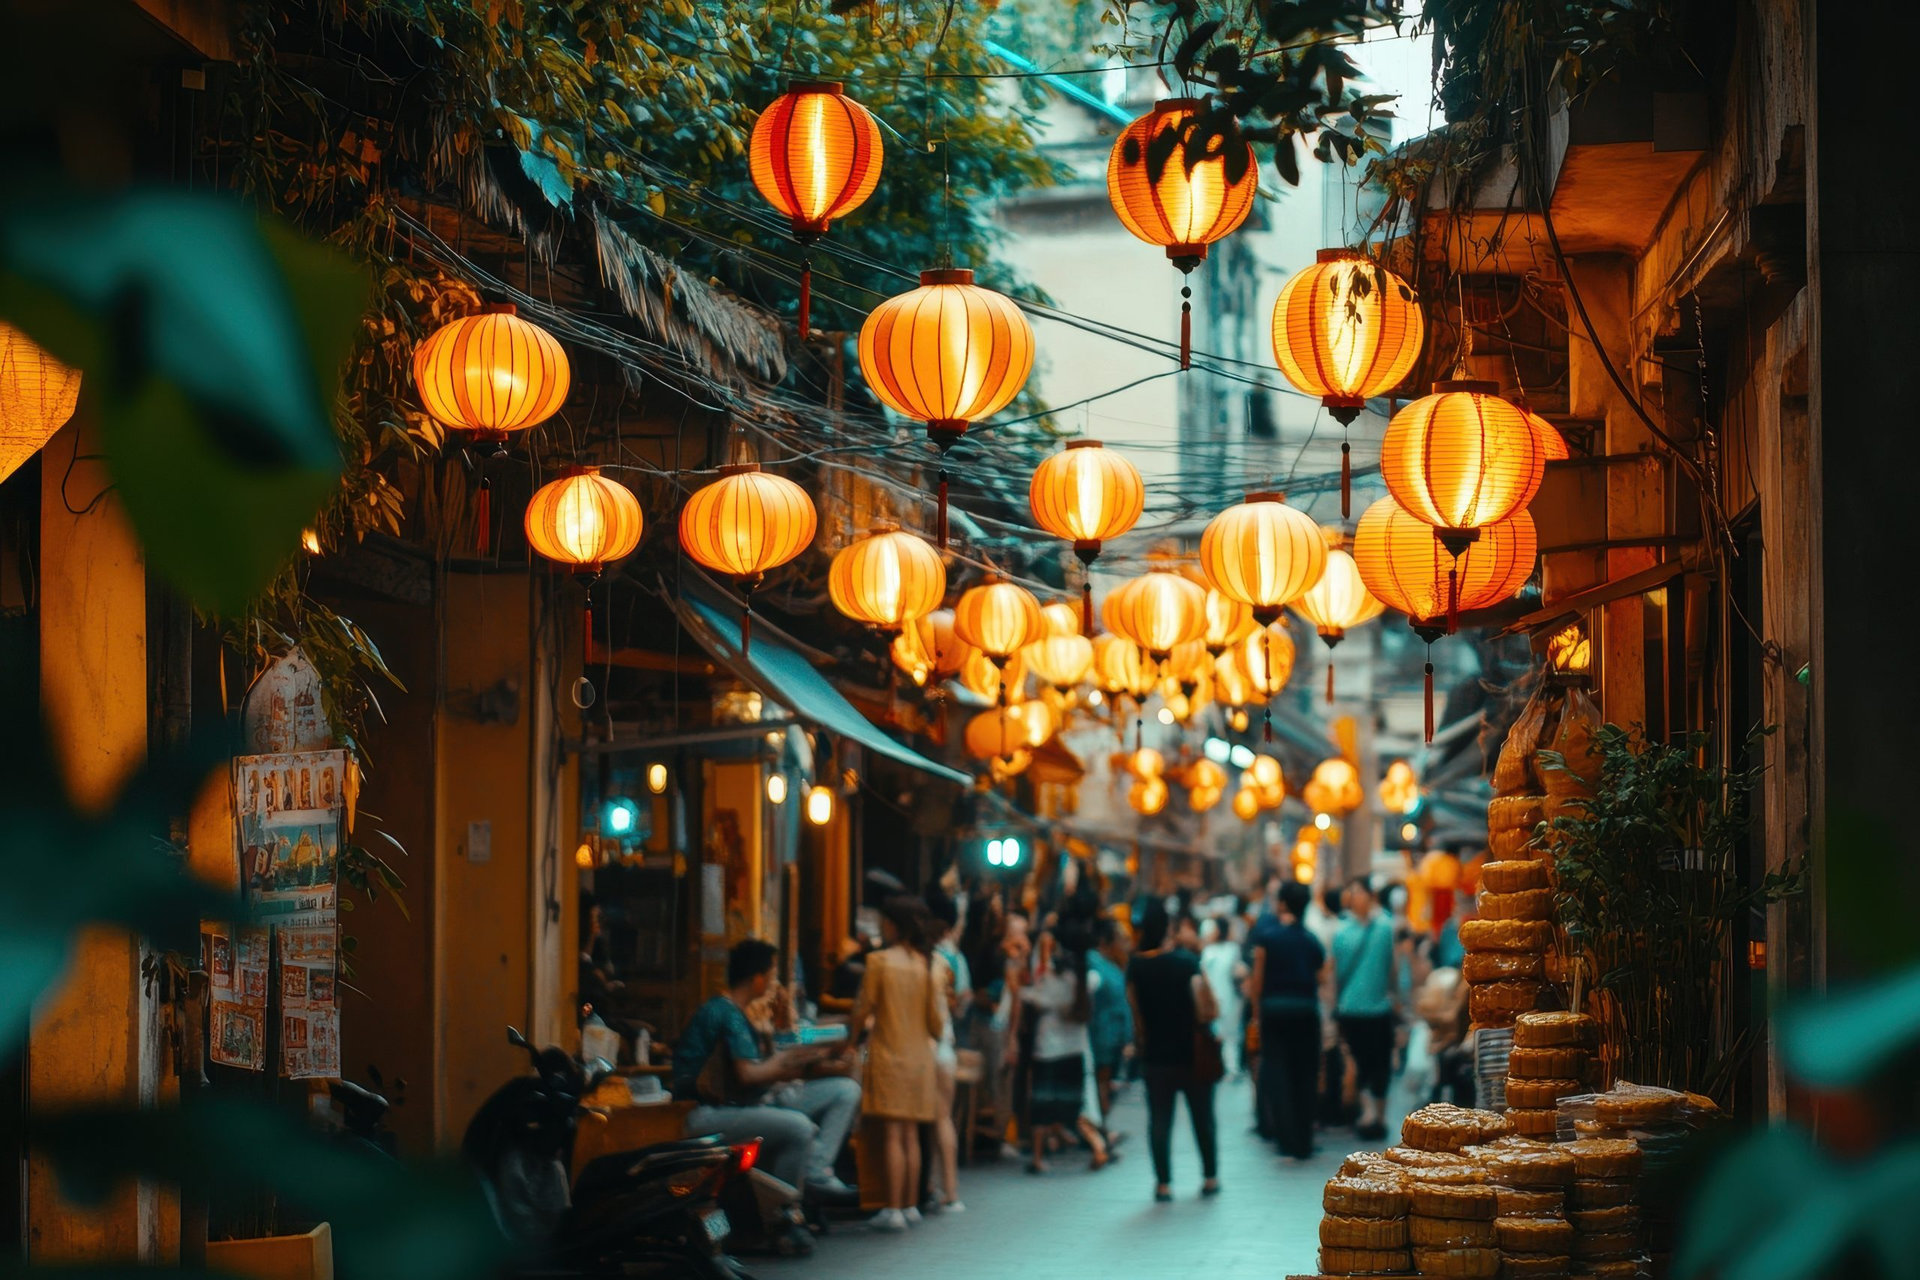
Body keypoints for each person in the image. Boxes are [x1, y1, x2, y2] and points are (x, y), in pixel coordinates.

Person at [672, 940, 862, 1218]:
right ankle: (782, 1213)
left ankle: (809, 1180)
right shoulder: (727, 1013)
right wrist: (787, 1061)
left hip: (742, 1103)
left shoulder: (731, 1011)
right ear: (758, 978)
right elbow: (749, 1074)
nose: (773, 984)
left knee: (843, 1092)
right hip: (708, 1112)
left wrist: (796, 1059)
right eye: (772, 975)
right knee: (800, 1127)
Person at [851, 897, 947, 1231]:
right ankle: (909, 1205)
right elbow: (936, 1022)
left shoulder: (879, 962)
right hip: (920, 1059)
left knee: (893, 1134)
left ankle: (891, 1207)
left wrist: (850, 1041)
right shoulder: (924, 964)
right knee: (910, 1135)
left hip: (889, 1055)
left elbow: (863, 1008)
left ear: (892, 925)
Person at [1126, 900, 1220, 1203]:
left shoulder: (1136, 966)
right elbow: (1207, 1008)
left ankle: (1163, 1184)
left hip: (1155, 1054)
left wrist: (1141, 1043)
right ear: (1167, 928)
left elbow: (1136, 1015)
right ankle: (1209, 1176)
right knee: (1202, 1116)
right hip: (1191, 1052)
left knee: (1159, 1119)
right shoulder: (1186, 961)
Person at [1020, 918, 1110, 1172]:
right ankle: (1096, 1145)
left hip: (1047, 1048)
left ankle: (1038, 1158)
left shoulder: (1051, 979)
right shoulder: (1084, 979)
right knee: (1076, 1104)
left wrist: (1022, 990)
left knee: (1042, 1104)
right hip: (1074, 1048)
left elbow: (1034, 999)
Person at [1246, 881, 1328, 1159]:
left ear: (1282, 904)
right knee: (1305, 1073)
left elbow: (1257, 980)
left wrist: (1256, 1015)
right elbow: (1322, 977)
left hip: (1274, 1011)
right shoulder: (1310, 939)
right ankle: (1304, 1140)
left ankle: (1285, 1139)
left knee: (1277, 1073)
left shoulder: (1266, 937)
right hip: (1305, 1011)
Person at [1333, 876, 1399, 1140]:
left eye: (1359, 892)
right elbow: (1336, 973)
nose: (1355, 897)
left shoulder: (1385, 927)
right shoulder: (1341, 932)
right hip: (1351, 1009)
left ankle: (1379, 1114)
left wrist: (1398, 998)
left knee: (1381, 1064)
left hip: (1379, 1009)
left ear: (1370, 896)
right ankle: (1367, 1112)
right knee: (1358, 1064)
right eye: (1352, 892)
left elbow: (1392, 967)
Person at [925, 888, 970, 1214]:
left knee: (932, 1120)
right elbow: (961, 1002)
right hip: (947, 1045)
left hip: (928, 1047)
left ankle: (940, 1190)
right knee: (944, 1119)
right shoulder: (953, 958)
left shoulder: (925, 958)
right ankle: (947, 1191)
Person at [1088, 916, 1134, 1129]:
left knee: (1106, 1083)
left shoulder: (1113, 966)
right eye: (1119, 939)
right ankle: (1100, 1129)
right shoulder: (1094, 963)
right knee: (1101, 1082)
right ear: (1105, 941)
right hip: (1102, 1035)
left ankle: (1102, 1127)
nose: (1125, 944)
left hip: (1113, 1036)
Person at [1198, 916, 1247, 1078]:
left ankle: (1232, 1066)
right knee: (1215, 1031)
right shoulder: (1207, 951)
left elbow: (1238, 972)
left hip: (1230, 995)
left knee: (1231, 1032)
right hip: (1212, 995)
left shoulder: (1232, 949)